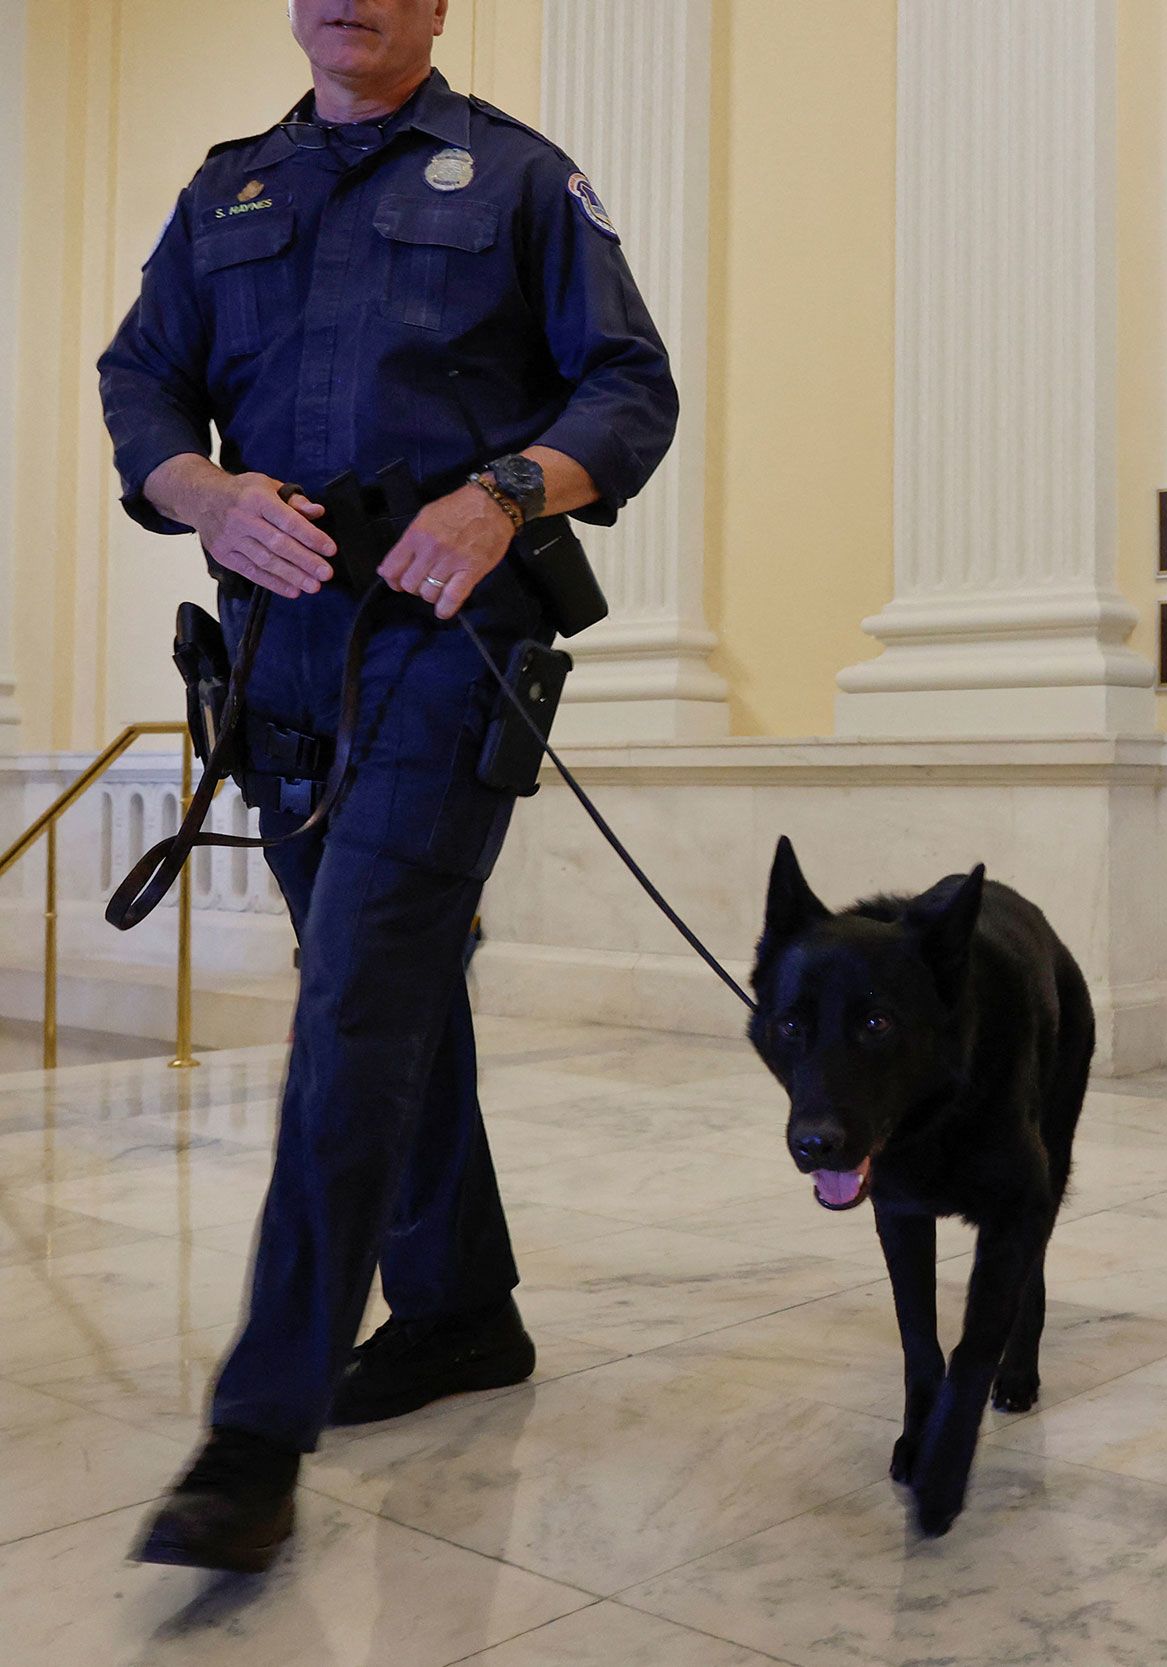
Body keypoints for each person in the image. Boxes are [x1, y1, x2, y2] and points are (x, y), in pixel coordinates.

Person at [99, 0, 676, 1572]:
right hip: (275, 658)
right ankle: (460, 1306)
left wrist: (504, 495)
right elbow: (140, 382)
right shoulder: (228, 189)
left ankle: (253, 1431)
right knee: (393, 984)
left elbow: (629, 390)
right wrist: (203, 492)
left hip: (441, 645)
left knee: (356, 996)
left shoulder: (518, 179)